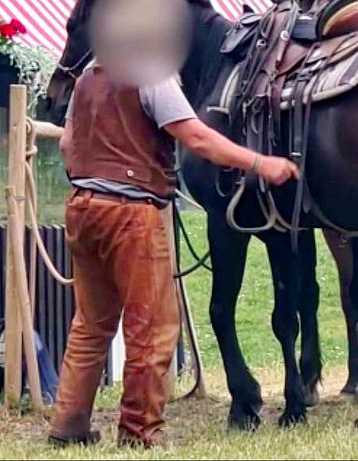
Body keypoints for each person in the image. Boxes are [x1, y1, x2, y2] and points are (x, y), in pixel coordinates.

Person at [47, 62, 298, 448]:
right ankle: (140, 432)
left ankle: (67, 426)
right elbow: (196, 137)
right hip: (131, 213)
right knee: (152, 327)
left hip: (83, 205)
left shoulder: (87, 78)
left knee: (91, 325)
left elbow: (67, 145)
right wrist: (260, 163)